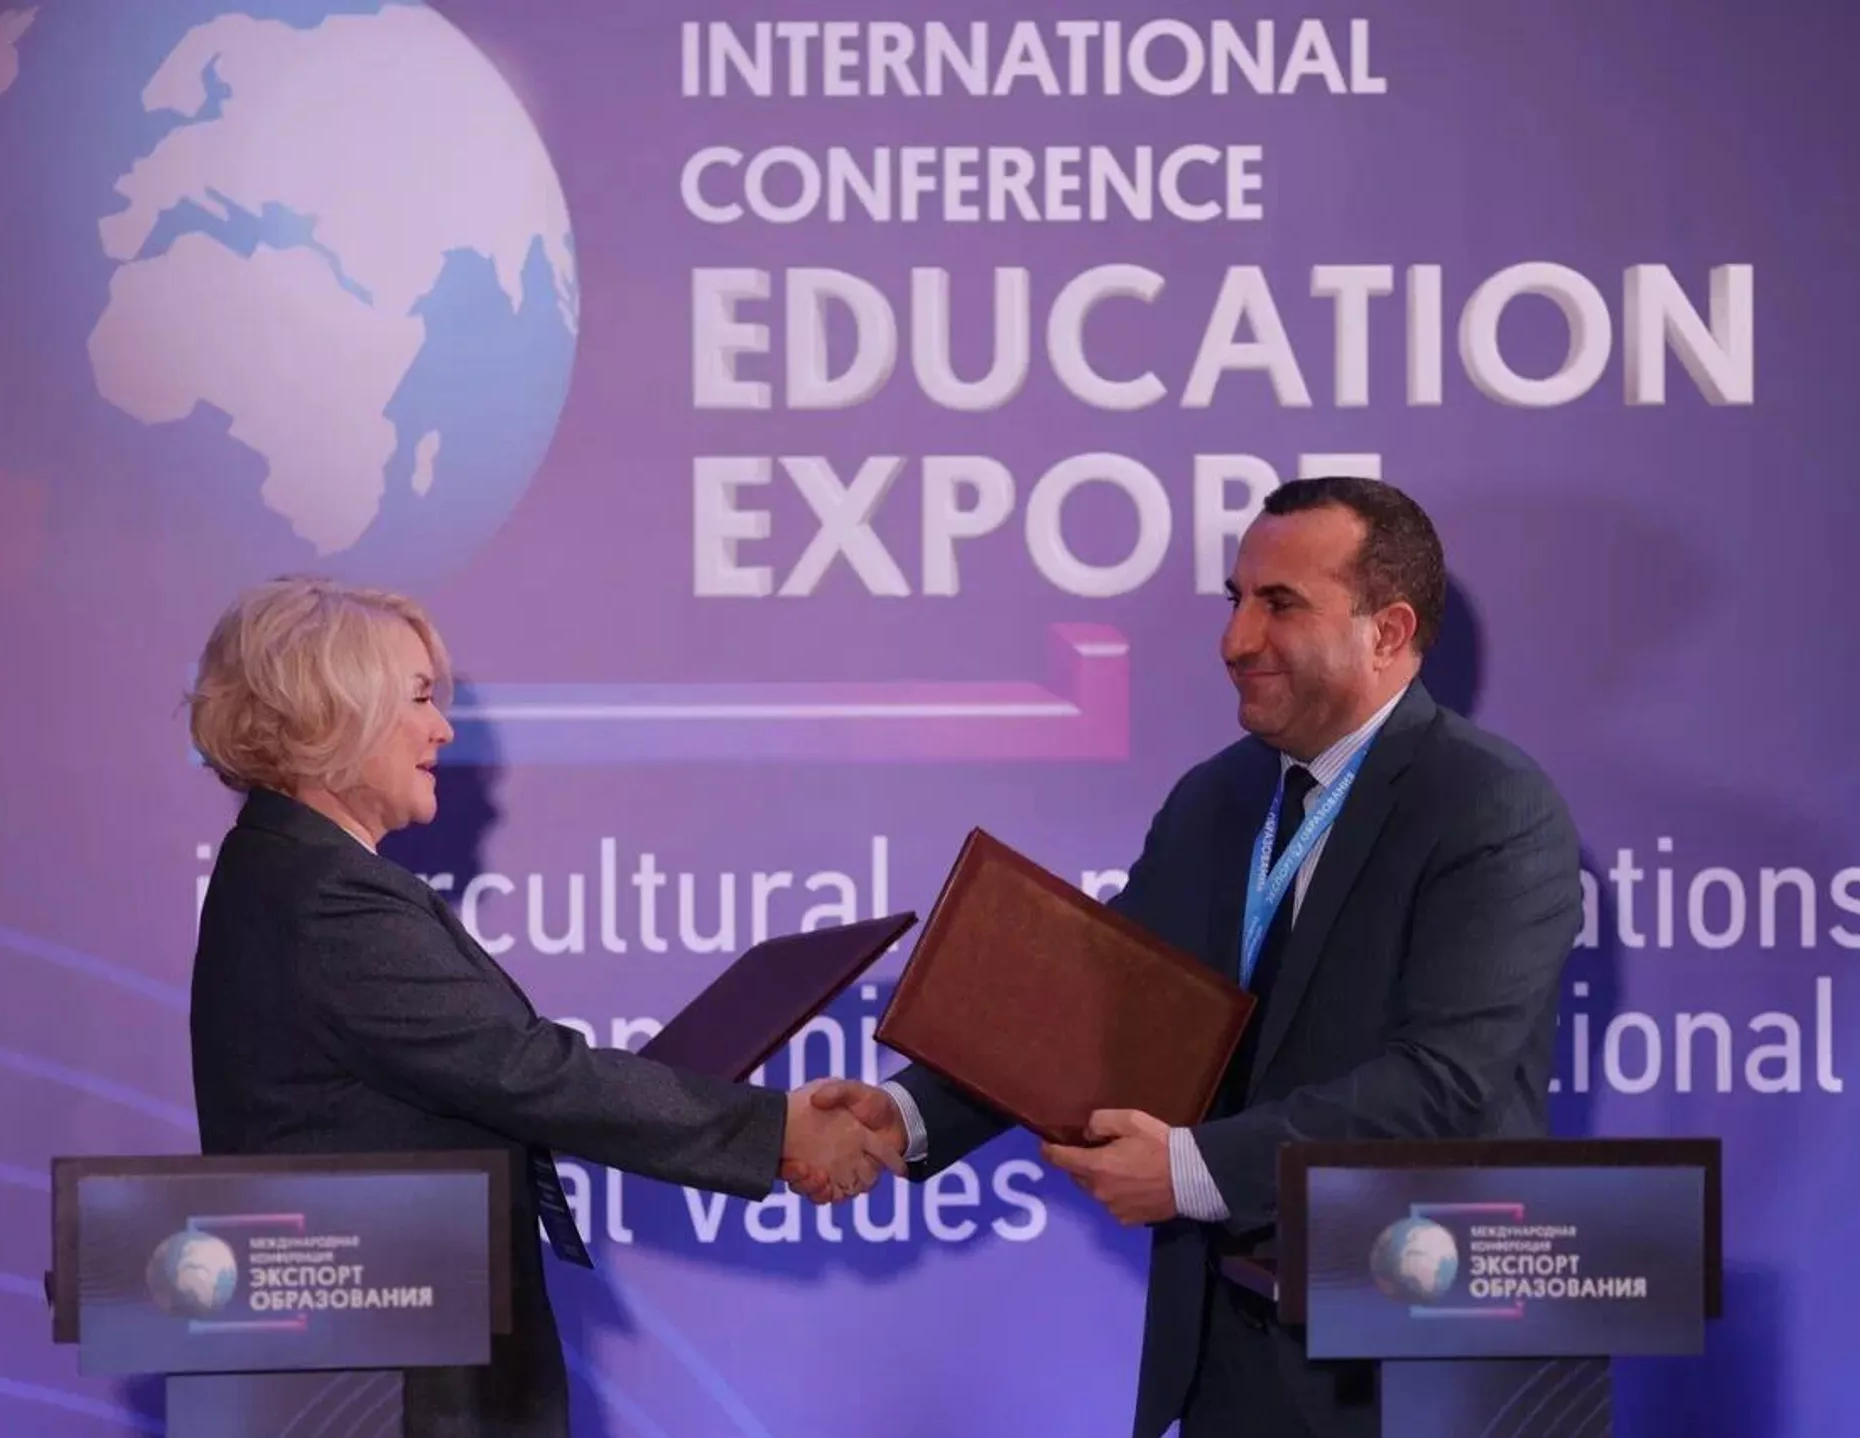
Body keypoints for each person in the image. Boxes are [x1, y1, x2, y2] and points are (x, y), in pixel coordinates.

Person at [803, 477, 1583, 1437]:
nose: (1236, 640)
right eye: (1237, 599)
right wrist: (906, 1115)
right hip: (1229, 1349)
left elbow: (1445, 1084)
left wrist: (1193, 1168)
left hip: (1415, 1355)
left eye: (1280, 604)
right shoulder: (1217, 798)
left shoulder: (1487, 806)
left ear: (1387, 631)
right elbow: (1102, 1004)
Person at [185, 575, 900, 1438]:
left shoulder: (293, 873)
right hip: (388, 1385)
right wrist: (777, 1129)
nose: (443, 729)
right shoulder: (324, 897)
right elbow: (523, 1070)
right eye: (419, 697)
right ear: (331, 710)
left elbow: (501, 1072)